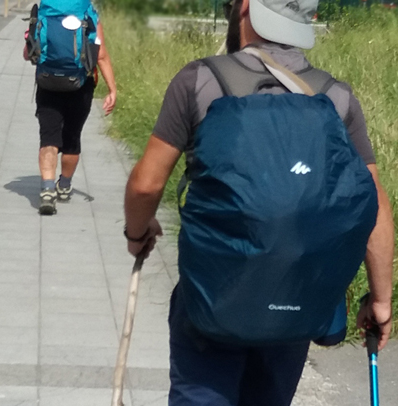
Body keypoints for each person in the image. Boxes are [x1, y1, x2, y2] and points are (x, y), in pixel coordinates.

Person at [123, 0, 394, 405]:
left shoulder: (201, 81)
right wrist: (380, 299)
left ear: (246, 7)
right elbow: (373, 205)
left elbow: (146, 185)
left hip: (212, 300)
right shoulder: (335, 98)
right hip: (296, 301)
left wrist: (137, 233)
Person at [24, 2, 117, 215]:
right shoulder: (88, 12)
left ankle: (47, 191)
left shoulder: (44, 10)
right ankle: (64, 186)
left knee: (48, 136)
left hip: (47, 83)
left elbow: (28, 53)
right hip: (80, 85)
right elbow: (100, 55)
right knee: (72, 136)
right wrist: (112, 89)